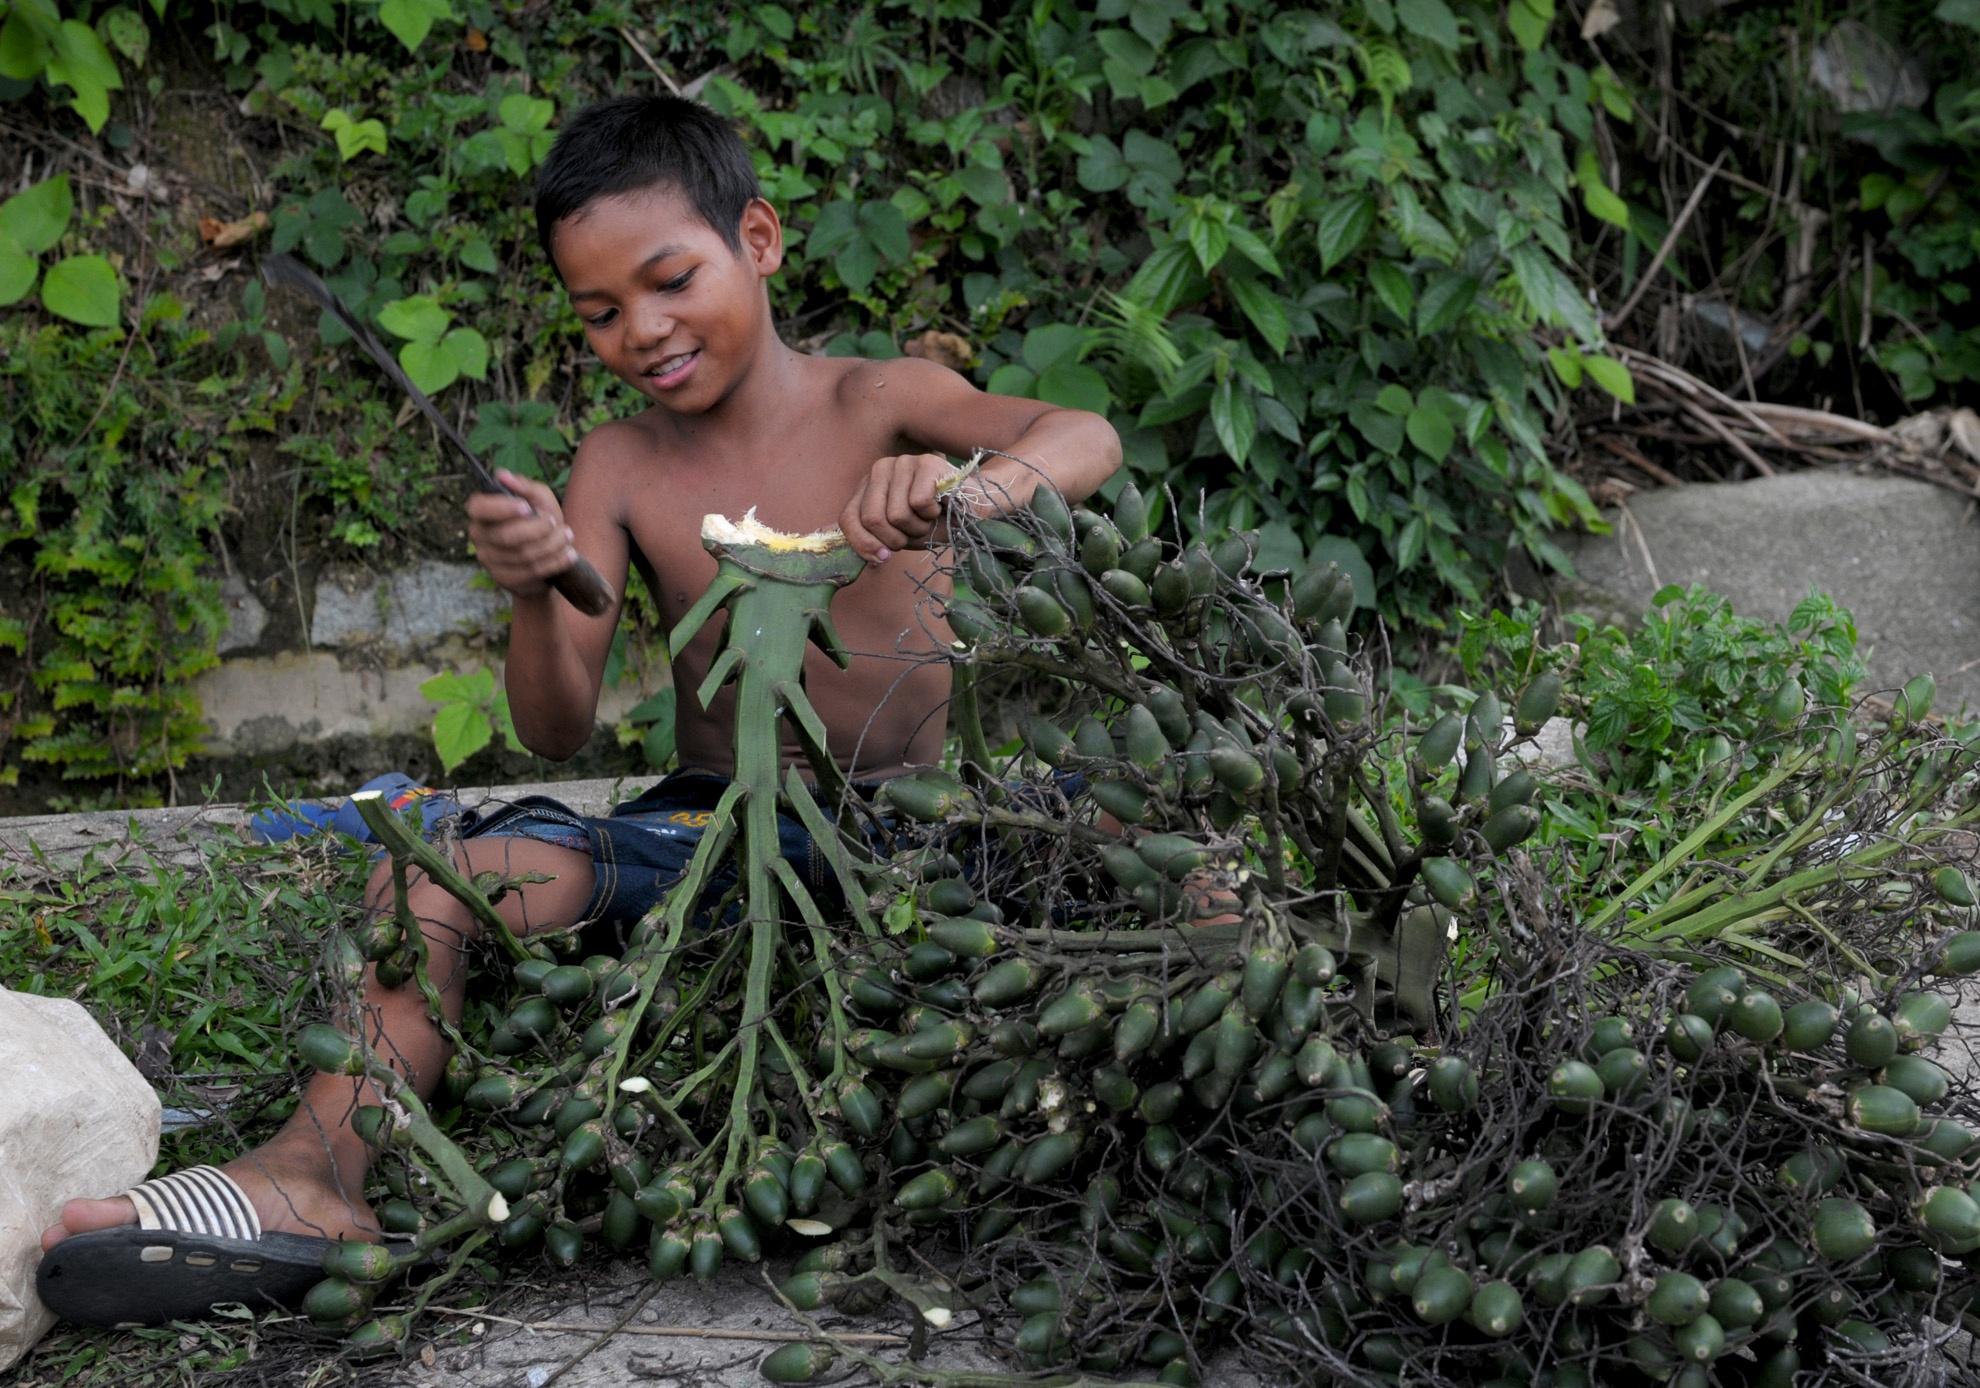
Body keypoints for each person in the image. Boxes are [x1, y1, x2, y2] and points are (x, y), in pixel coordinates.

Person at [36, 92, 1120, 1326]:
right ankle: (314, 1172)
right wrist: (542, 585)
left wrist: (971, 491)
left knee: (1169, 837)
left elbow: (1081, 432)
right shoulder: (620, 465)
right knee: (438, 869)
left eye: (668, 281)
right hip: (716, 832)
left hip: (934, 821)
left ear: (757, 238)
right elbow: (556, 726)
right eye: (599, 311)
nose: (641, 330)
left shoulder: (881, 400)